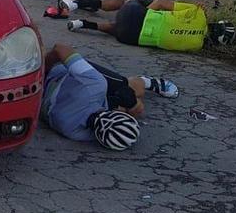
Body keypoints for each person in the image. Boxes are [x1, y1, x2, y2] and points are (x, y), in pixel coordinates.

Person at [41, 44, 176, 151]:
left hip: (56, 79)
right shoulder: (76, 134)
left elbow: (60, 48)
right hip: (52, 93)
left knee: (130, 96)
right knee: (130, 96)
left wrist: (43, 69)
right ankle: (146, 82)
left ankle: (140, 84)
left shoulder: (95, 86)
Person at [56, 0, 236, 51]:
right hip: (132, 38)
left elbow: (161, 2)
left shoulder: (199, 13)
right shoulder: (196, 46)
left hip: (138, 18)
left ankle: (76, 4)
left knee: (123, 3)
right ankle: (83, 24)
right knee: (117, 28)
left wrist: (145, 12)